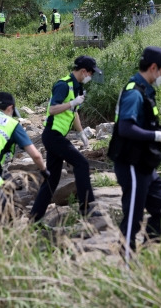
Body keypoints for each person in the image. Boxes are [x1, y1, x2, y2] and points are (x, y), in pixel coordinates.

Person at [107, 46, 161, 259]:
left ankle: (147, 255)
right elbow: (125, 128)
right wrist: (157, 136)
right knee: (134, 216)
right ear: (154, 68)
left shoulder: (146, 90)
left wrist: (159, 133)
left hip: (145, 163)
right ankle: (127, 264)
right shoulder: (133, 93)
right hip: (131, 163)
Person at [30, 55, 103, 222]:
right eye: (91, 73)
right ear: (84, 71)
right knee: (82, 163)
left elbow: (74, 112)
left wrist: (81, 132)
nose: (91, 77)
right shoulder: (63, 85)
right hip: (53, 136)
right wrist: (72, 103)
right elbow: (53, 110)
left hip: (57, 136)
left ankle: (34, 218)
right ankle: (86, 207)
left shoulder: (77, 87)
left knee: (52, 179)